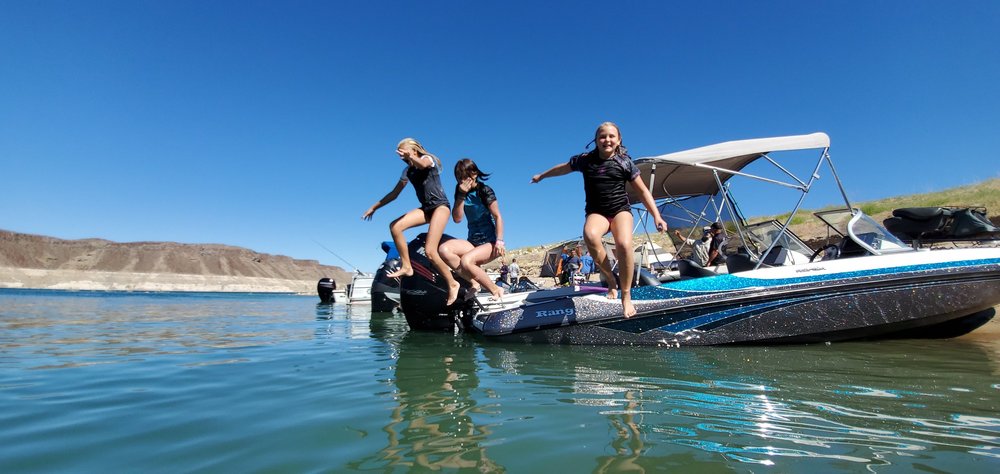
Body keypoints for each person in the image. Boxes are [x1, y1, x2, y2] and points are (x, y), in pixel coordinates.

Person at [531, 122, 667, 317]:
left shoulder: (625, 162)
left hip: (620, 210)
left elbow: (643, 191)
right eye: (602, 136)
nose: (607, 140)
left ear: (619, 140)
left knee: (624, 244)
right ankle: (611, 281)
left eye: (612, 136)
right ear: (595, 140)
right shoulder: (586, 160)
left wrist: (657, 215)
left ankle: (626, 296)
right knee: (590, 235)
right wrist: (542, 176)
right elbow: (562, 168)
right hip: (597, 212)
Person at [362, 138, 461, 305]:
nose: (402, 157)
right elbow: (394, 194)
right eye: (401, 155)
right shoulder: (407, 171)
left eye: (404, 153)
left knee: (430, 251)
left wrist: (411, 157)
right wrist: (374, 207)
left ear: (413, 150)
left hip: (440, 207)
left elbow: (422, 165)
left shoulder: (428, 159)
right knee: (395, 226)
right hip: (426, 208)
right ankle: (407, 266)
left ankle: (453, 283)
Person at [437, 158, 506, 300]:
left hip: (490, 243)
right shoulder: (460, 191)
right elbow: (457, 219)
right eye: (459, 178)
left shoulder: (484, 190)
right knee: (444, 250)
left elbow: (498, 216)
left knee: (466, 261)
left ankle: (496, 289)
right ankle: (475, 283)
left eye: (465, 176)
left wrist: (499, 241)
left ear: (474, 174)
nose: (462, 180)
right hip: (472, 242)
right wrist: (461, 195)